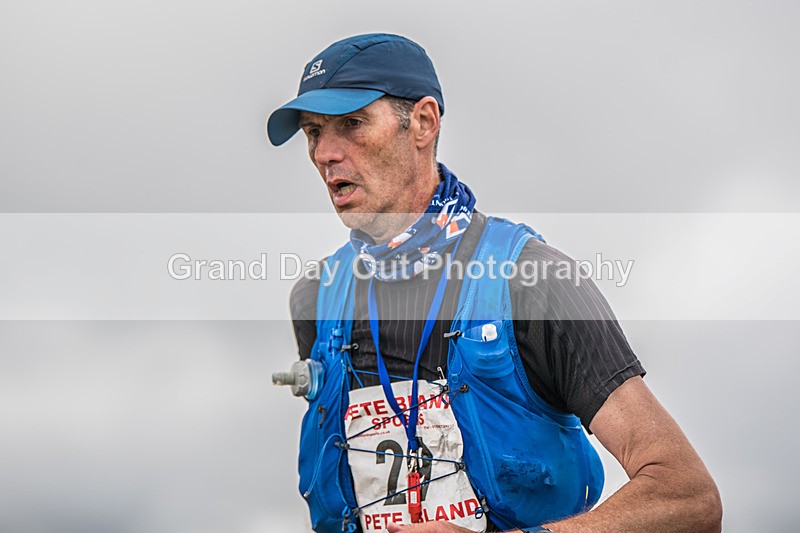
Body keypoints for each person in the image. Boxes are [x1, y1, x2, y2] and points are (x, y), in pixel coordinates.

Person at [267, 33, 721, 533]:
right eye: (313, 132)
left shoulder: (534, 281)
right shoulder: (314, 298)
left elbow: (689, 500)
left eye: (351, 124)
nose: (326, 153)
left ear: (422, 122)